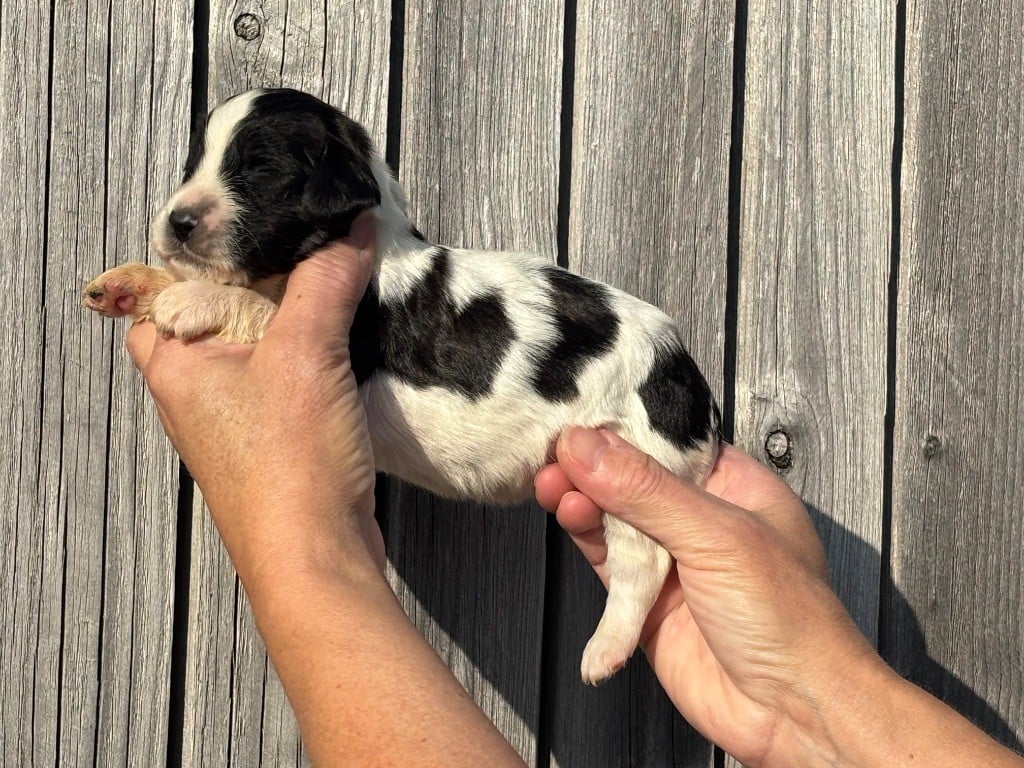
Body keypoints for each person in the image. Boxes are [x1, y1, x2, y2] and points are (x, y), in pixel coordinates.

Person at [125, 226, 1024, 767]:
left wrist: (298, 550)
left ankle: (637, 595)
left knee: (628, 522)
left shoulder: (392, 306)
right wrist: (813, 703)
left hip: (626, 386)